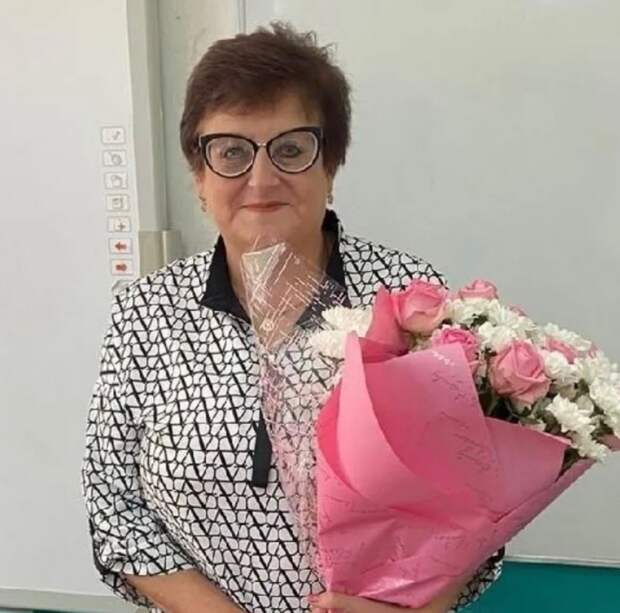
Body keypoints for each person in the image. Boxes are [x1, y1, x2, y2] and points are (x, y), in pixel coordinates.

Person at [81, 22, 504, 613]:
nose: (260, 178)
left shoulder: (408, 301)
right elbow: (115, 506)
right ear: (199, 175)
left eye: (291, 149)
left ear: (330, 164)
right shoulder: (148, 311)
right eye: (231, 151)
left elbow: (473, 504)